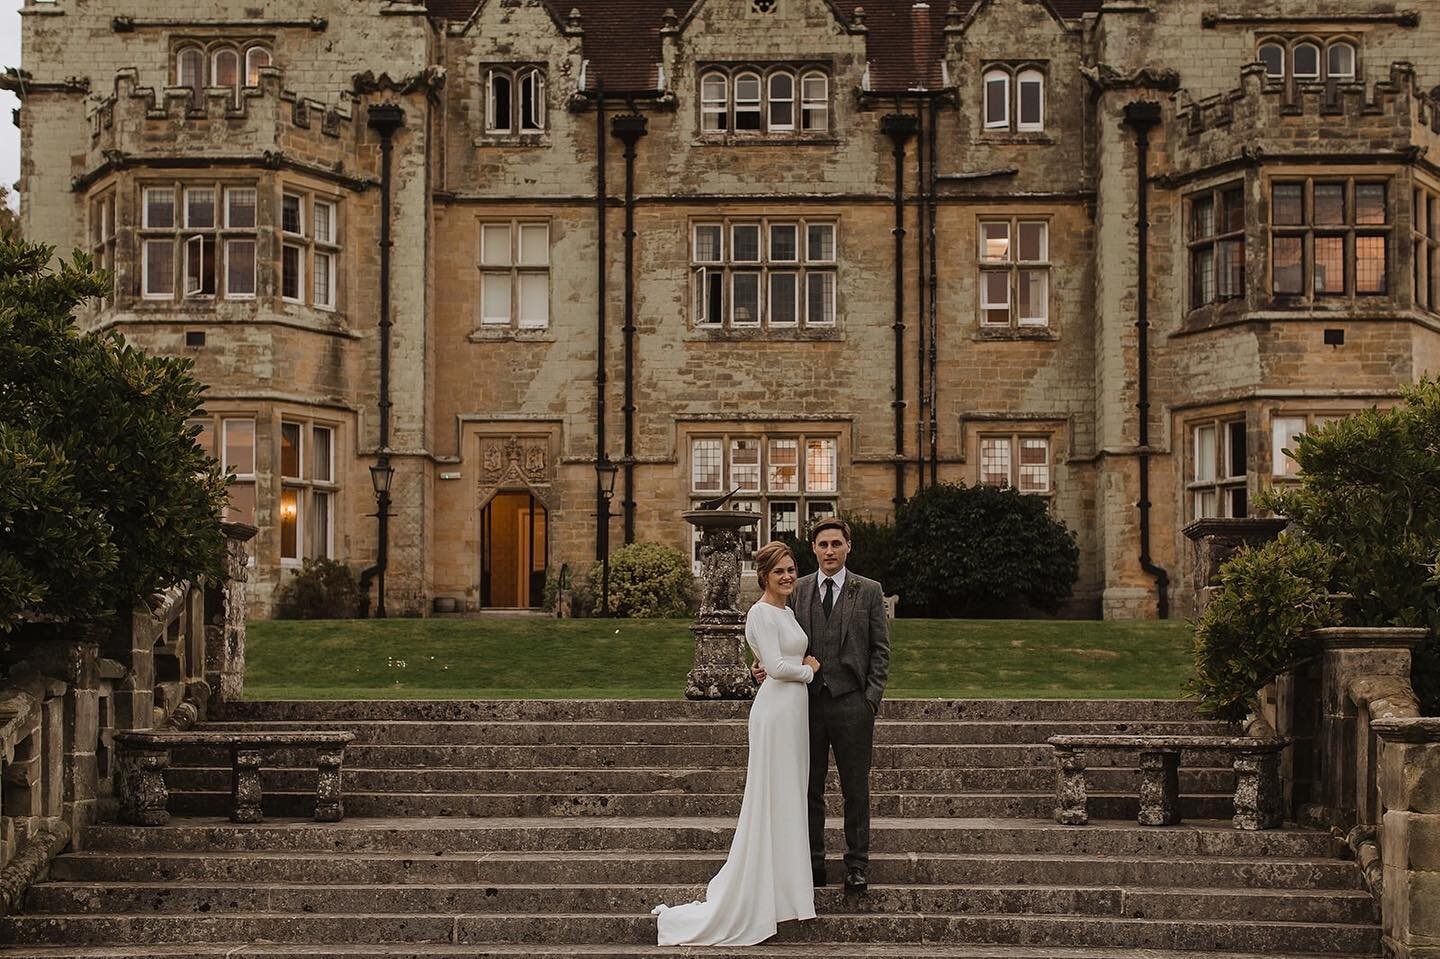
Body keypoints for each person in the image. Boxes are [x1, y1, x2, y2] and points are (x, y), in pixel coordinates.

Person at [652, 541, 820, 946]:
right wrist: (810, 669)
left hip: (794, 714)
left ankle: (786, 892)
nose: (787, 576)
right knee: (771, 798)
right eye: (779, 571)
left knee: (788, 799)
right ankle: (759, 895)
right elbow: (778, 668)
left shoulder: (787, 611)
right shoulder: (760, 612)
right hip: (776, 714)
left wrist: (785, 668)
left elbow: (773, 662)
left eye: (791, 569)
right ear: (763, 575)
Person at [752, 516, 890, 895]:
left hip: (852, 705)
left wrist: (870, 701)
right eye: (822, 545)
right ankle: (812, 865)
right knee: (808, 788)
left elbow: (880, 651)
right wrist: (763, 666)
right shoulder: (798, 589)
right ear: (813, 549)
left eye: (836, 544)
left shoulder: (869, 591)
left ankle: (857, 865)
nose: (829, 551)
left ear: (848, 546)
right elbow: (779, 640)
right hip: (805, 706)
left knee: (855, 789)